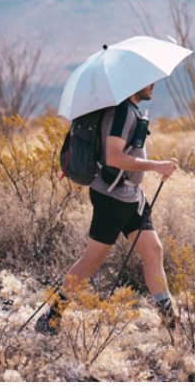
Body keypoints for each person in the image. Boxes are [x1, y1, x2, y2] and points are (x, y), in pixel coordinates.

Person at [36, 82, 179, 335]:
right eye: (147, 82)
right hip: (112, 198)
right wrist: (157, 166)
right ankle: (52, 314)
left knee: (153, 250)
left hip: (132, 197)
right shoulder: (122, 112)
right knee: (93, 259)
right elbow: (114, 158)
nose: (152, 85)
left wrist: (155, 168)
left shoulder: (131, 110)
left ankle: (170, 320)